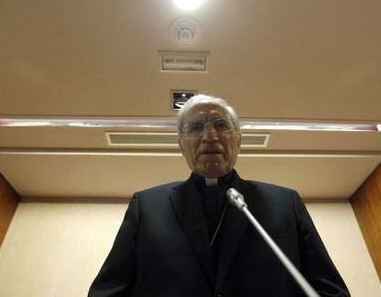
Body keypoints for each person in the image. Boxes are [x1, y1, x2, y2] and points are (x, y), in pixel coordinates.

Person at [89, 94, 350, 297]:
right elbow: (108, 292)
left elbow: (330, 291)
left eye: (221, 125)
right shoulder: (146, 206)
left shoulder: (284, 203)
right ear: (181, 143)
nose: (210, 136)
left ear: (239, 139)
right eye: (195, 127)